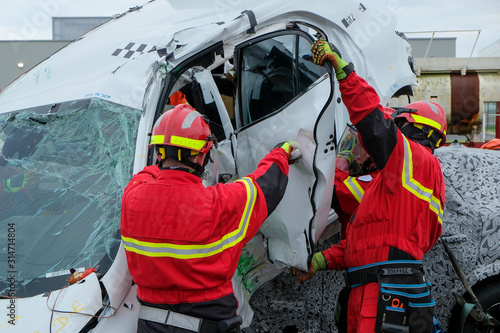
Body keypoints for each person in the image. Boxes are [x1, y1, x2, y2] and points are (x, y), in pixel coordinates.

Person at [293, 39, 446, 333]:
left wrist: (345, 75)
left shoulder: (417, 161)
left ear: (411, 127)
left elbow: (374, 126)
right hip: (377, 288)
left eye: (398, 126)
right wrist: (320, 261)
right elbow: (368, 243)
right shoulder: (395, 184)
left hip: (385, 293)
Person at [120, 104, 294, 333]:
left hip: (151, 326)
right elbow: (266, 186)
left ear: (159, 152)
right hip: (210, 324)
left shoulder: (131, 197)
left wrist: (166, 162)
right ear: (202, 154)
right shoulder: (219, 204)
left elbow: (147, 175)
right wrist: (281, 153)